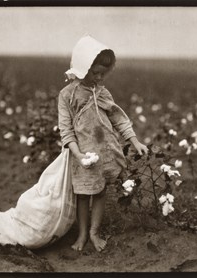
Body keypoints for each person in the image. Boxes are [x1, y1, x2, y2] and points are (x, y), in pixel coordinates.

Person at [58, 35, 148, 252]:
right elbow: (66, 130)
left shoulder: (103, 92)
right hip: (83, 155)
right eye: (94, 72)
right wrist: (78, 155)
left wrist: (134, 142)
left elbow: (118, 118)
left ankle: (94, 233)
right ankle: (81, 235)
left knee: (99, 192)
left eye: (102, 73)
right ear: (82, 68)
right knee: (82, 193)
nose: (98, 77)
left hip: (104, 151)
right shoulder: (67, 95)